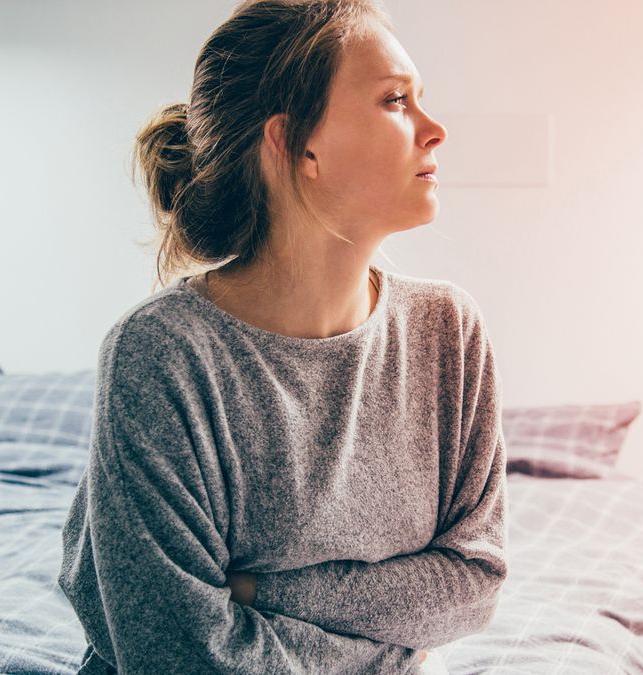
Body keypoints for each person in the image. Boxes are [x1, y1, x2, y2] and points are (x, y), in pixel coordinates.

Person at [56, 1, 508, 672]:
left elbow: (473, 584)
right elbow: (179, 655)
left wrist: (264, 592)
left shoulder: (450, 334)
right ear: (298, 144)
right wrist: (381, 638)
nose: (434, 130)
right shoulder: (160, 358)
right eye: (395, 100)